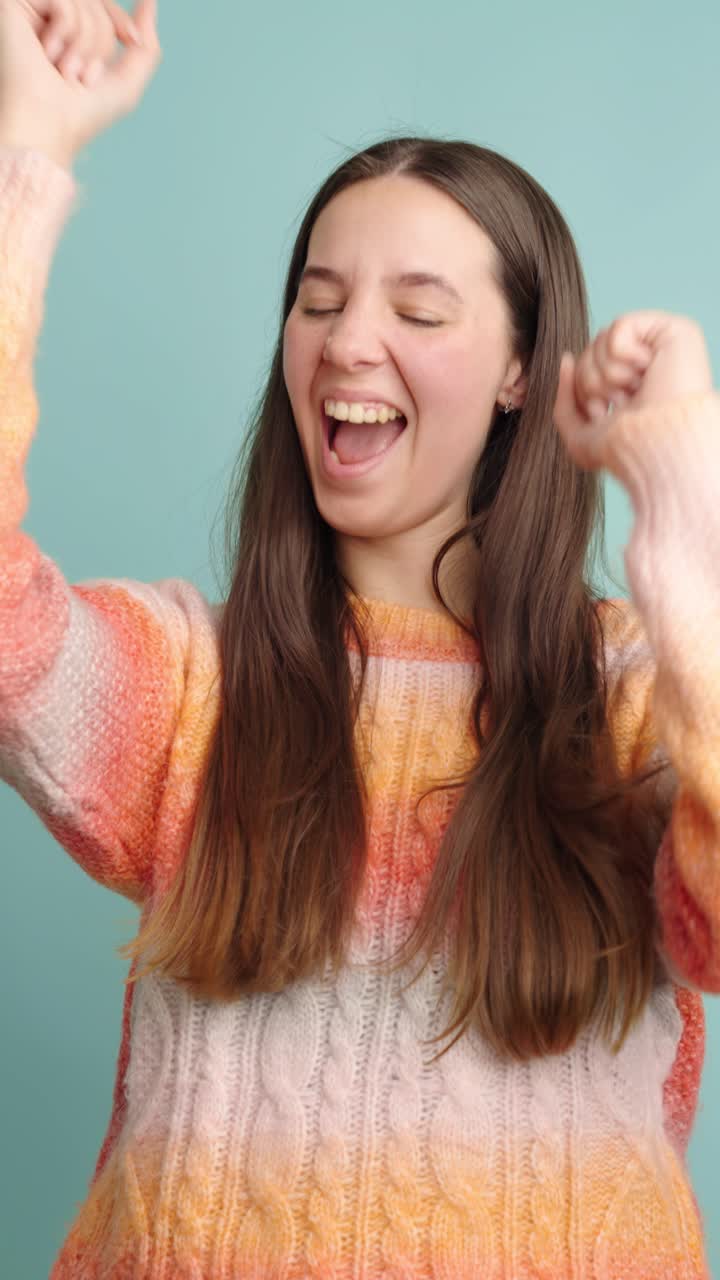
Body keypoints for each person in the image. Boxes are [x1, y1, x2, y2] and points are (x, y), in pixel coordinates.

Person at [1, 1, 718, 1276]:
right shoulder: (194, 687)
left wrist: (680, 495)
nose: (346, 340)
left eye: (420, 311)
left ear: (520, 370)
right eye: (318, 300)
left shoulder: (627, 703)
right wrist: (27, 150)